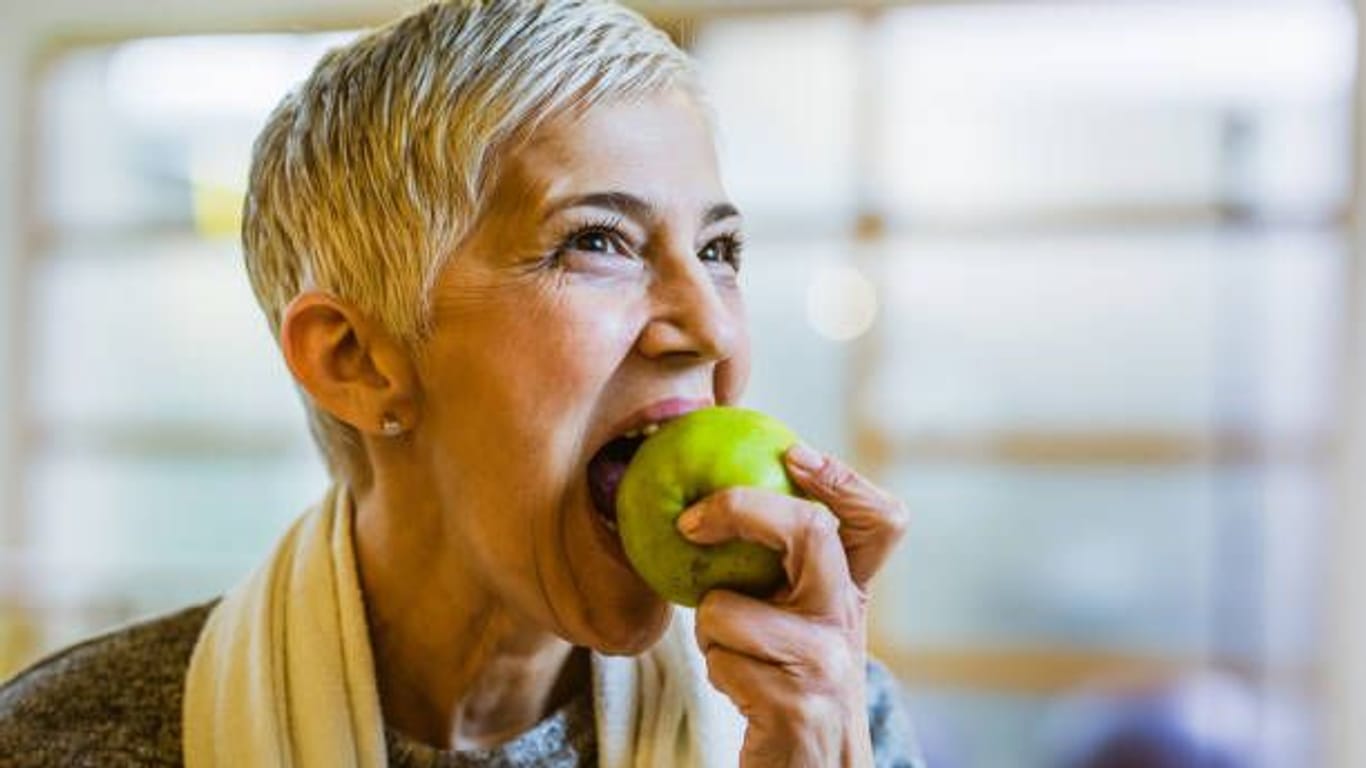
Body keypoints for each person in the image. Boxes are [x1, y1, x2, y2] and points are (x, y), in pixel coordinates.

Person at [0, 1, 923, 765]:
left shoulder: (823, 720)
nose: (716, 329)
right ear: (353, 360)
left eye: (719, 250)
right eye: (596, 241)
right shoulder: (71, 742)